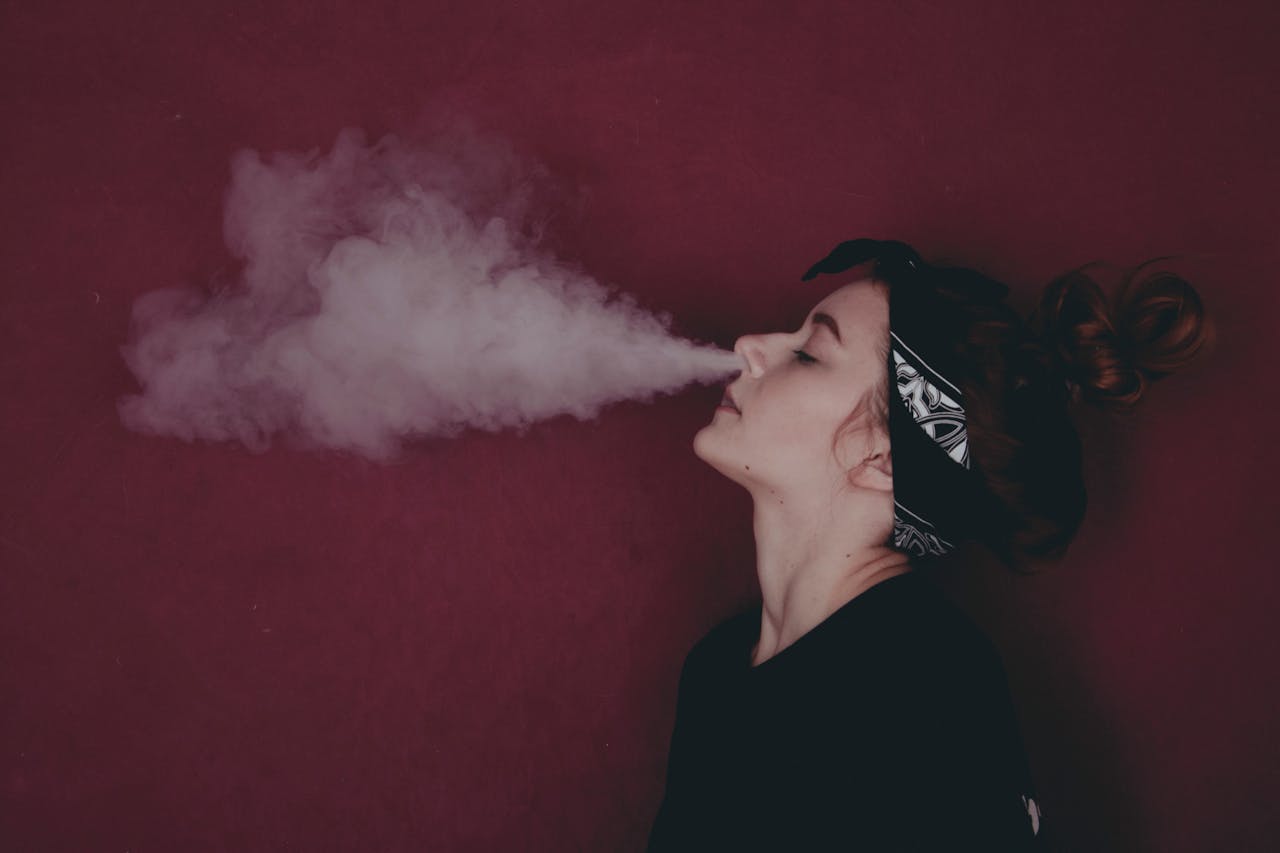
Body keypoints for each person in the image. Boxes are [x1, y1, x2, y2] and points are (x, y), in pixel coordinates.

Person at [645, 238, 1213, 851]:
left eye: (808, 353)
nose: (749, 348)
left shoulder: (931, 687)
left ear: (883, 457)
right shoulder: (716, 669)